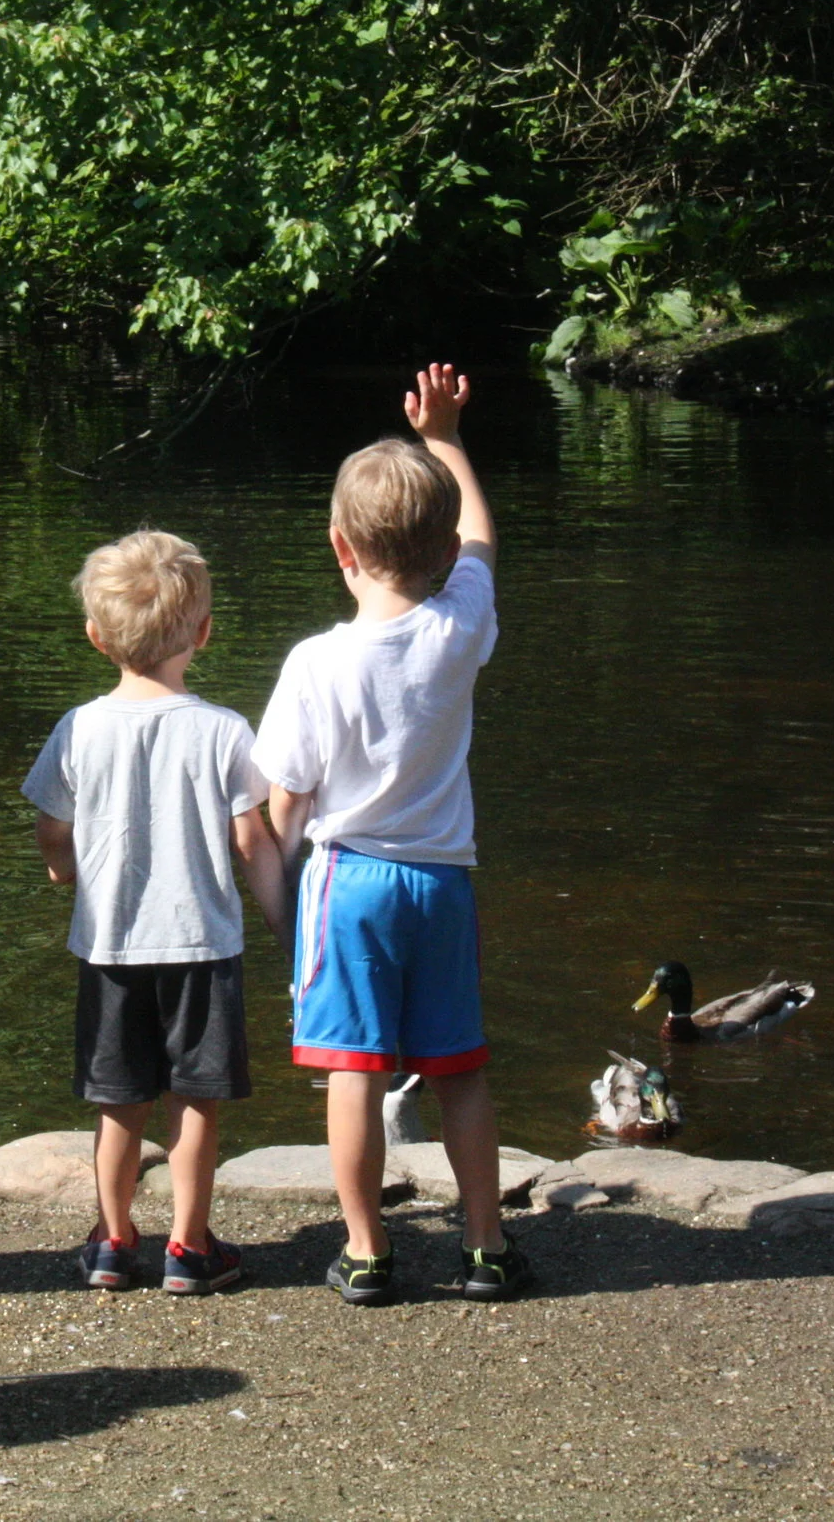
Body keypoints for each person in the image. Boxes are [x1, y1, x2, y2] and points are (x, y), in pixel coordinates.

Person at [252, 362, 532, 1307]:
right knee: (459, 1070)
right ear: (443, 553)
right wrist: (447, 436)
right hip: (442, 882)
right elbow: (484, 540)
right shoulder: (460, 626)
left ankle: (368, 1251)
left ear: (339, 547)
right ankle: (487, 1246)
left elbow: (285, 804)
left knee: (355, 1072)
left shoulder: (314, 662)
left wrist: (272, 896)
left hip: (351, 884)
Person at [23, 531, 289, 1294]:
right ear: (202, 632)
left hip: (109, 947)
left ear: (96, 636)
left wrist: (63, 867)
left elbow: (50, 822)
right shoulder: (225, 730)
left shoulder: (79, 727)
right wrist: (290, 930)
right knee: (196, 1099)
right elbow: (253, 839)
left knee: (118, 1103)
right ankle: (188, 1244)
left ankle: (112, 1242)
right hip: (202, 944)